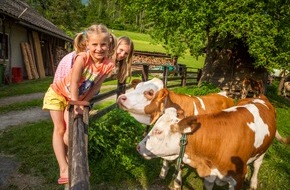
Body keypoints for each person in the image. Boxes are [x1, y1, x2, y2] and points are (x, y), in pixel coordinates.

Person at [42, 24, 115, 185]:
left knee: (72, 132)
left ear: (109, 45)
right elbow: (74, 82)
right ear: (87, 44)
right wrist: (76, 104)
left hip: (73, 98)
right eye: (95, 44)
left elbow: (96, 86)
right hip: (57, 94)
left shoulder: (108, 65)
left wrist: (84, 102)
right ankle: (63, 167)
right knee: (60, 129)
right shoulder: (82, 58)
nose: (99, 48)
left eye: (103, 44)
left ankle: (78, 163)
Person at [53, 32, 117, 83]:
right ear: (87, 44)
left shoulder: (94, 61)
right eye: (95, 44)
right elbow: (70, 83)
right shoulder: (78, 59)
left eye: (104, 45)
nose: (100, 49)